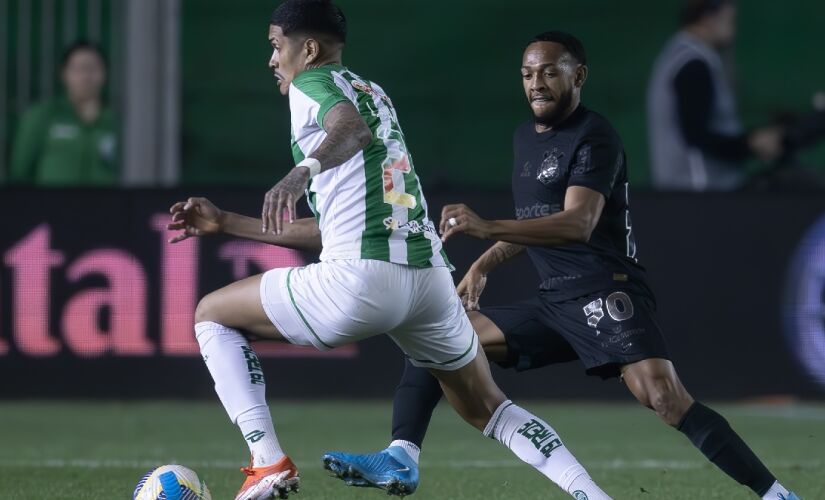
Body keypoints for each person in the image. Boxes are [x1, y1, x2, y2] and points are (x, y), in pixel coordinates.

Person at [322, 31, 801, 500]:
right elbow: (538, 223)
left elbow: (577, 224)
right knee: (440, 335)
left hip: (605, 288)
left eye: (550, 72)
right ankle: (401, 454)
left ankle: (776, 494)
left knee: (665, 399)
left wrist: (487, 228)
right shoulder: (524, 139)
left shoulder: (596, 136)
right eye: (528, 73)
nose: (537, 82)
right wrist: (486, 262)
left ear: (580, 76)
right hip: (555, 299)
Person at [167, 2, 611, 499]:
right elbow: (335, 226)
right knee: (490, 407)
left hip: (361, 281)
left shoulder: (310, 85)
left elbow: (348, 132)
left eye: (276, 45)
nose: (272, 60)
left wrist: (299, 174)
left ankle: (267, 462)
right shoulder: (373, 91)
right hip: (428, 282)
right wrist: (226, 222)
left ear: (308, 49)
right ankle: (592, 496)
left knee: (211, 314)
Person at [647, 0, 784, 191]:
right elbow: (696, 135)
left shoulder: (680, 54)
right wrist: (750, 144)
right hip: (699, 192)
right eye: (731, 22)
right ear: (709, 17)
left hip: (693, 192)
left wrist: (749, 141)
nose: (734, 31)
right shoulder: (693, 64)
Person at [9, 40, 118, 186]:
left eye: (93, 68)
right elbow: (19, 172)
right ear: (64, 73)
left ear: (105, 73)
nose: (86, 76)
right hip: (52, 205)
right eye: (79, 69)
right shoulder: (43, 116)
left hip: (106, 205)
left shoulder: (114, 121)